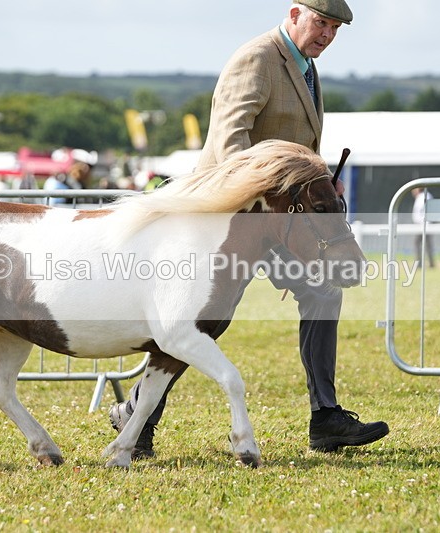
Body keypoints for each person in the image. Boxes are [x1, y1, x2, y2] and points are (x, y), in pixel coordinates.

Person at [109, 0, 389, 459]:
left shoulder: (306, 66)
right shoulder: (257, 57)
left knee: (321, 291)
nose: (327, 35)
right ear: (295, 12)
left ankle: (326, 417)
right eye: (322, 23)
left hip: (278, 222)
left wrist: (316, 181)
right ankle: (138, 417)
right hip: (233, 217)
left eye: (336, 28)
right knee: (202, 322)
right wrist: (276, 191)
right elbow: (229, 142)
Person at [411, 187, 436, 269]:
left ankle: (421, 263)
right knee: (426, 244)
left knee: (421, 243)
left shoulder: (424, 197)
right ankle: (429, 263)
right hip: (422, 224)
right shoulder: (422, 197)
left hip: (423, 224)